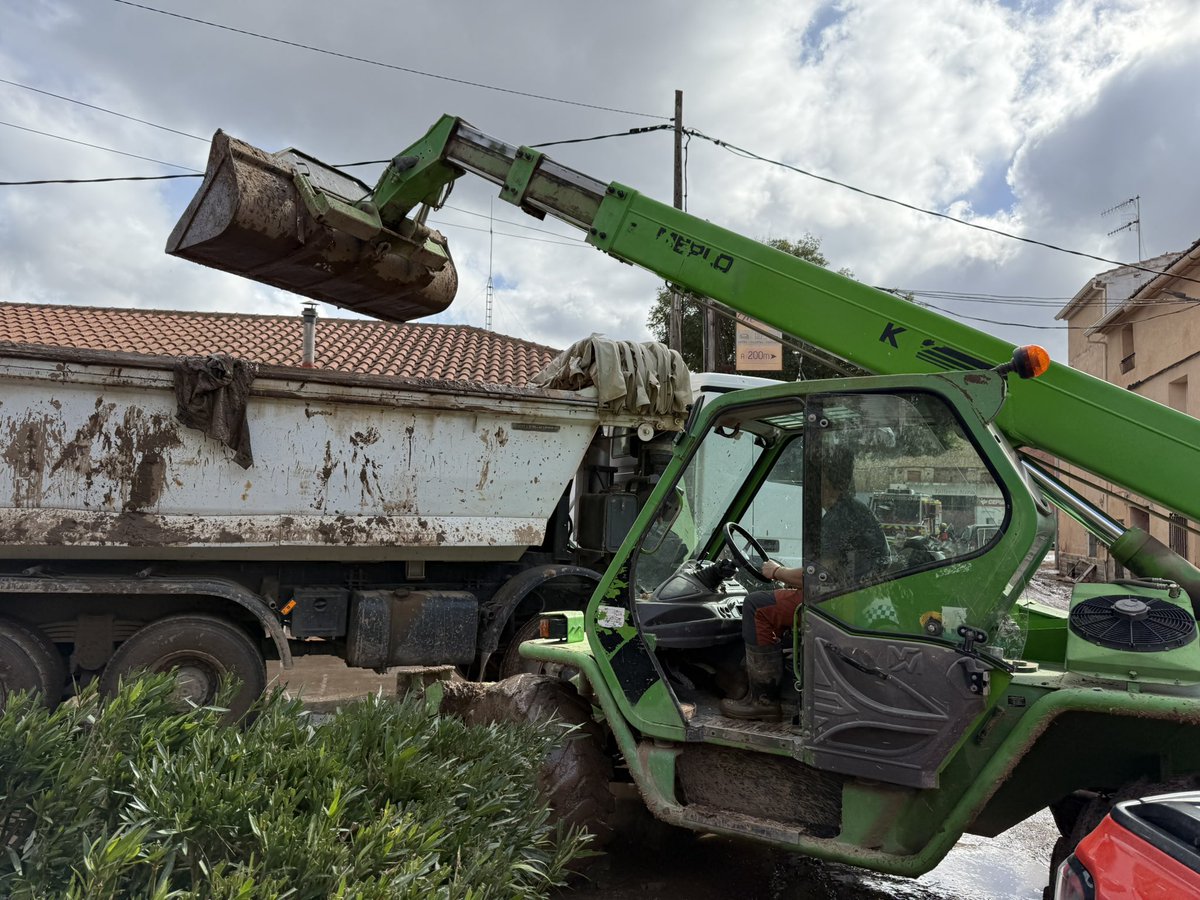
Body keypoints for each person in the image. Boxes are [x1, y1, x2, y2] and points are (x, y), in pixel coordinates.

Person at [720, 445, 888, 721]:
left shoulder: (837, 518)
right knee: (774, 599)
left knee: (755, 605)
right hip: (856, 597)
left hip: (836, 604)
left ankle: (763, 700)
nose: (811, 487)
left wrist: (777, 572)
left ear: (828, 482)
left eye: (815, 479)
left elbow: (818, 577)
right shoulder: (855, 511)